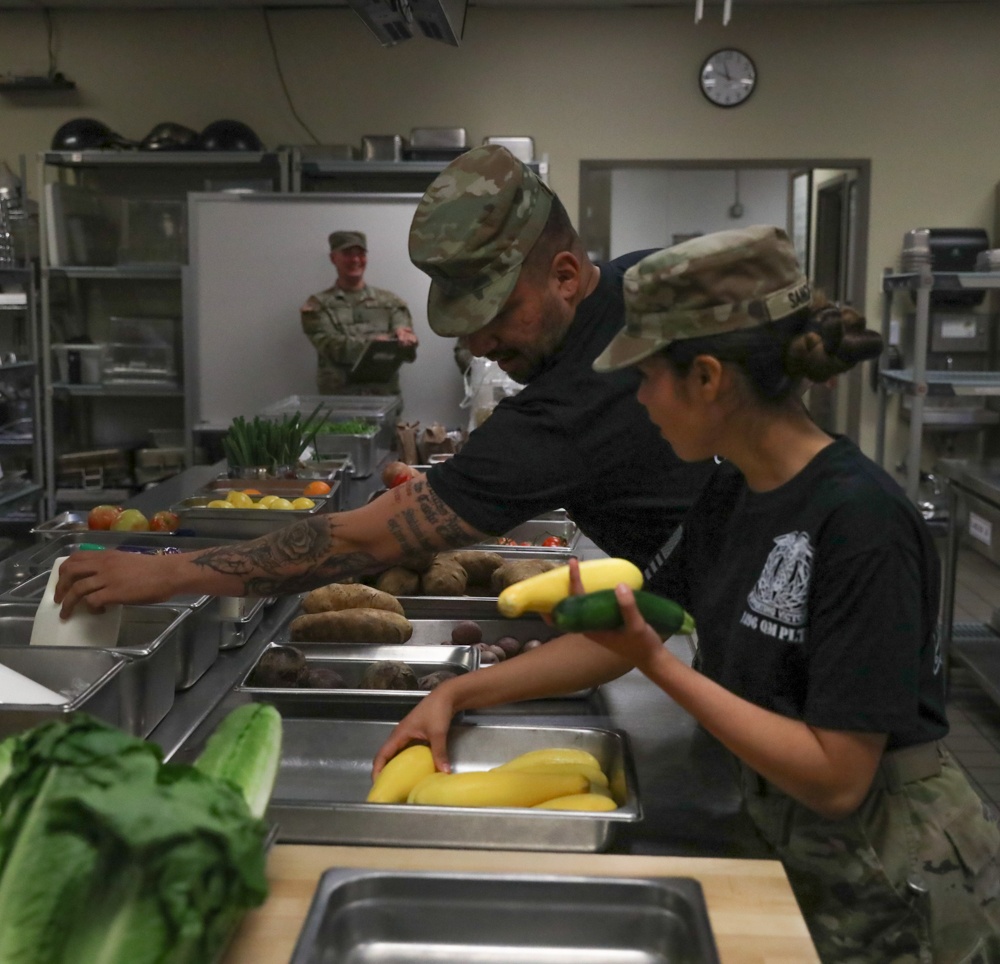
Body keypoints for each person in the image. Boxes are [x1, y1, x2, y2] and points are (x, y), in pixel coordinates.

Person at [373, 226, 1000, 963]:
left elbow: (837, 777)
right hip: (790, 839)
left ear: (707, 377)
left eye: (642, 378)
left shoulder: (861, 523)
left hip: (892, 881)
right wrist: (459, 696)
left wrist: (659, 663)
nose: (637, 401)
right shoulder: (735, 488)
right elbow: (624, 636)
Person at [53, 146, 712, 628]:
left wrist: (164, 571)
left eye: (494, 316)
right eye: (465, 326)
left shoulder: (563, 413)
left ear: (565, 276)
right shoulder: (641, 282)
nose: (478, 344)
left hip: (755, 630)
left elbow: (359, 541)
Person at [300, 229, 418, 396]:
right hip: (339, 403)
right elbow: (330, 346)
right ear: (333, 258)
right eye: (348, 253)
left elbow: (406, 346)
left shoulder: (391, 302)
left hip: (384, 400)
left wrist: (406, 339)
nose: (355, 260)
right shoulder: (318, 306)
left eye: (360, 254)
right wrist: (374, 344)